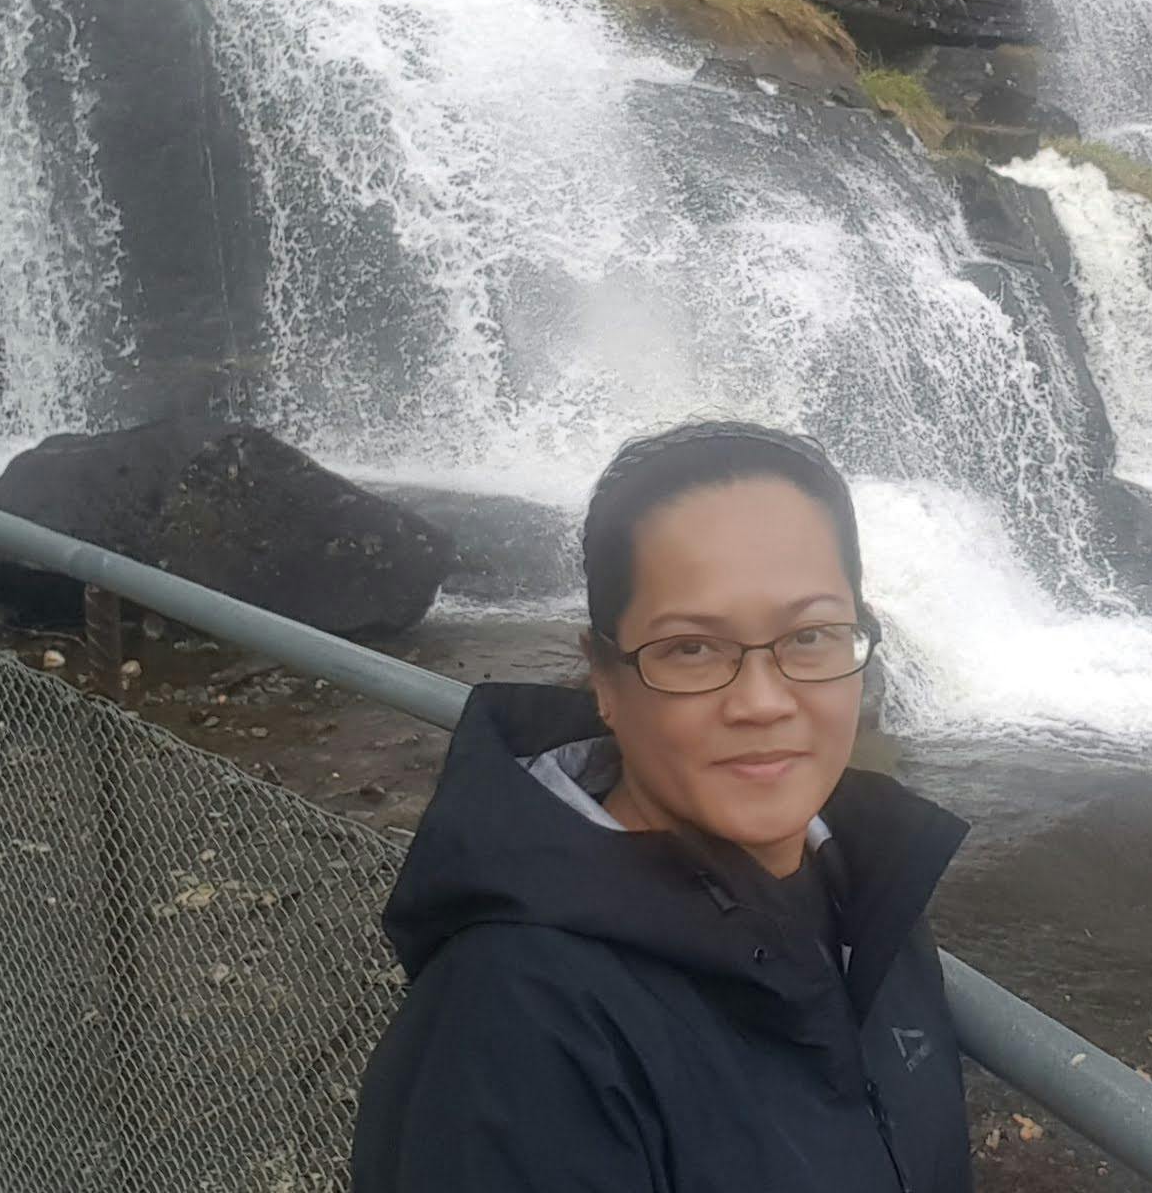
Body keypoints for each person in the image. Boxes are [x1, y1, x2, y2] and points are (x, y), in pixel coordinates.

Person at [351, 421, 973, 1192]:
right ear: (605, 679)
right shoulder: (514, 1031)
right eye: (691, 648)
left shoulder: (865, 891)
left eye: (810, 635)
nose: (762, 701)